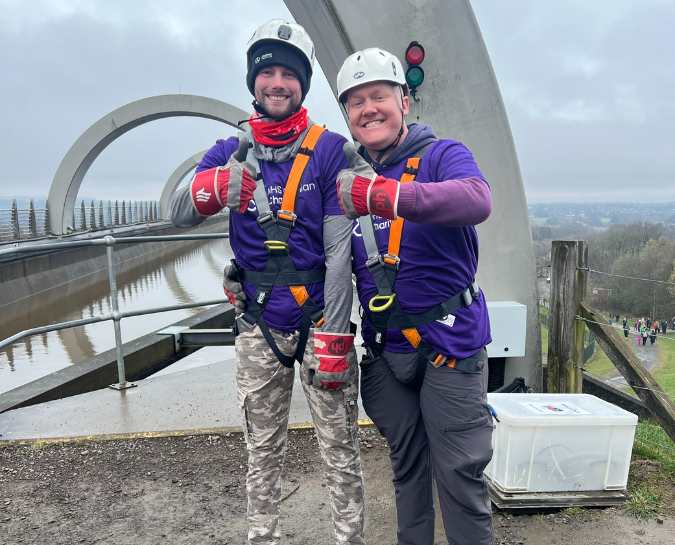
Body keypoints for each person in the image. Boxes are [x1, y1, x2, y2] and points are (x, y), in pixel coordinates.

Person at [170, 20, 365, 545]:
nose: (277, 83)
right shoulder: (231, 150)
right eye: (267, 73)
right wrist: (216, 188)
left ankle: (349, 538)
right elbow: (176, 213)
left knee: (340, 445)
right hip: (258, 326)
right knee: (261, 447)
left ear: (302, 84)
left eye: (289, 74)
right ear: (253, 83)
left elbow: (340, 247)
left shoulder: (330, 152)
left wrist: (337, 331)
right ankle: (262, 537)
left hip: (320, 319)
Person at [335, 47, 494, 545]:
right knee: (407, 470)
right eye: (356, 102)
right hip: (388, 355)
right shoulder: (346, 177)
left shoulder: (443, 156)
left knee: (459, 474)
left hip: (449, 347)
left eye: (379, 95)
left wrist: (388, 196)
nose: (369, 109)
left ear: (404, 101)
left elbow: (476, 199)